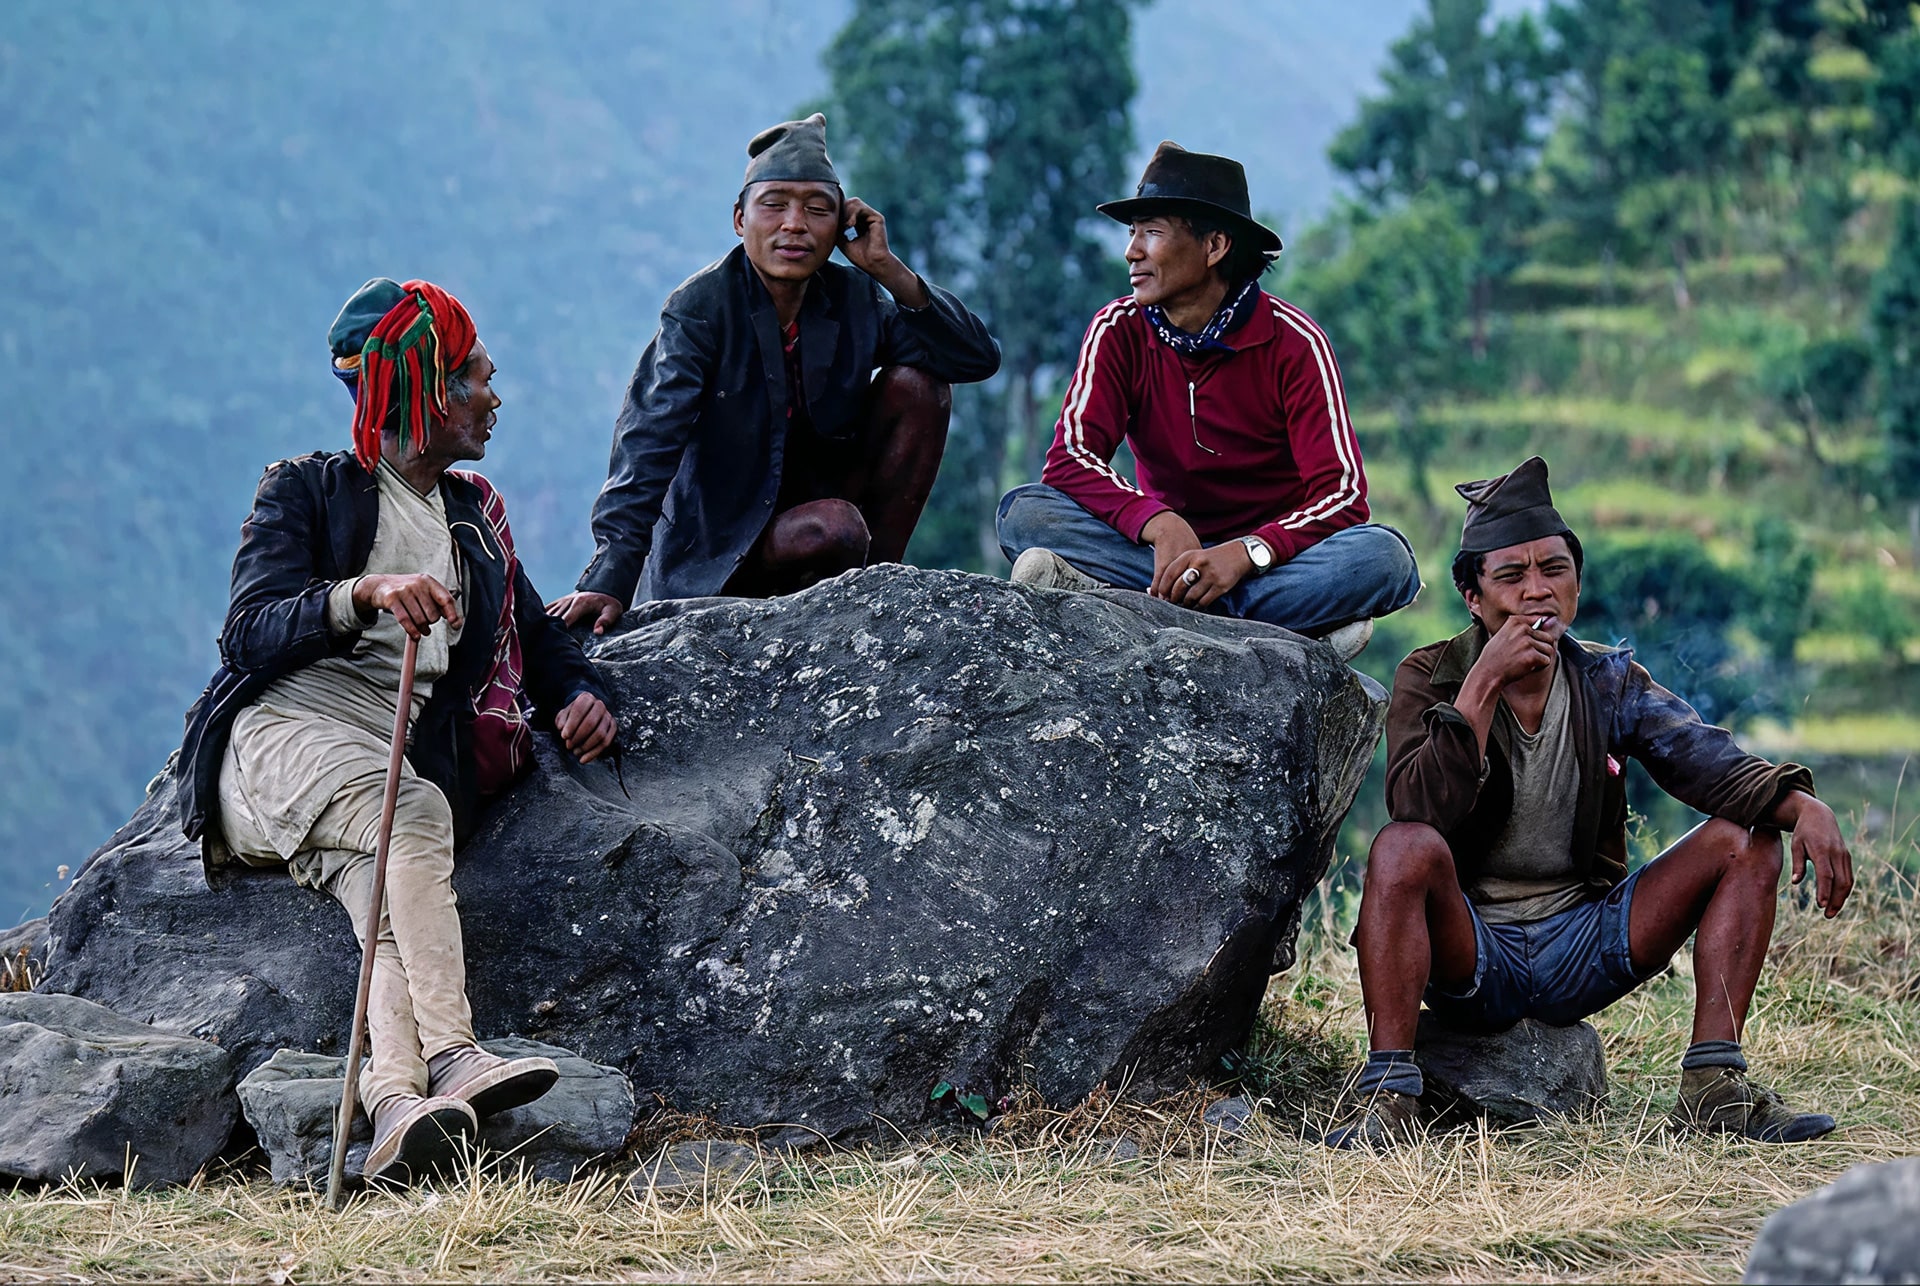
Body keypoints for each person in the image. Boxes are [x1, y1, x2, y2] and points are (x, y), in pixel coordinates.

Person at [177, 279, 618, 1181]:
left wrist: (580, 690)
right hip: (283, 739)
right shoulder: (306, 490)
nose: (494, 397)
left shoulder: (466, 518)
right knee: (414, 818)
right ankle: (457, 1054)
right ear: (426, 389)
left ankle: (394, 1103)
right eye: (477, 379)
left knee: (382, 914)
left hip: (372, 760)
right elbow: (247, 630)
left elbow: (531, 635)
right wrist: (360, 594)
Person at [1328, 456, 1853, 1149]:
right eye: (1511, 578)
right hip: (1473, 948)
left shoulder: (1607, 679)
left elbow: (1703, 760)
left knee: (1746, 838)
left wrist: (1798, 802)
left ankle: (1714, 1091)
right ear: (1474, 598)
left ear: (1576, 585)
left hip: (1582, 942)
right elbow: (1419, 808)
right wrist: (1481, 686)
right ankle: (1391, 1100)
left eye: (1555, 570)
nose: (1538, 592)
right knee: (1402, 847)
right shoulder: (1431, 674)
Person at [550, 113, 1000, 630]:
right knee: (834, 528)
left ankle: (876, 588)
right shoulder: (702, 308)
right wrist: (608, 580)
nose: (794, 225)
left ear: (841, 227)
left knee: (919, 388)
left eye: (816, 210)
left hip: (825, 524)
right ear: (740, 220)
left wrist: (886, 268)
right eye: (774, 205)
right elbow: (646, 443)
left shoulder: (854, 298)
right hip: (722, 543)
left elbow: (975, 358)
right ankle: (827, 583)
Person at [995, 141, 1421, 659]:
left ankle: (1144, 608)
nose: (1132, 252)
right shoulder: (1119, 329)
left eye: (1151, 232)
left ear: (1215, 246)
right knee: (1023, 512)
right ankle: (1286, 629)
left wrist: (1246, 554)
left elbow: (1342, 495)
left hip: (1270, 563)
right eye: (1133, 234)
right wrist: (1159, 523)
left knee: (1385, 559)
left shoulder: (1293, 342)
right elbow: (1070, 460)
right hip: (1161, 557)